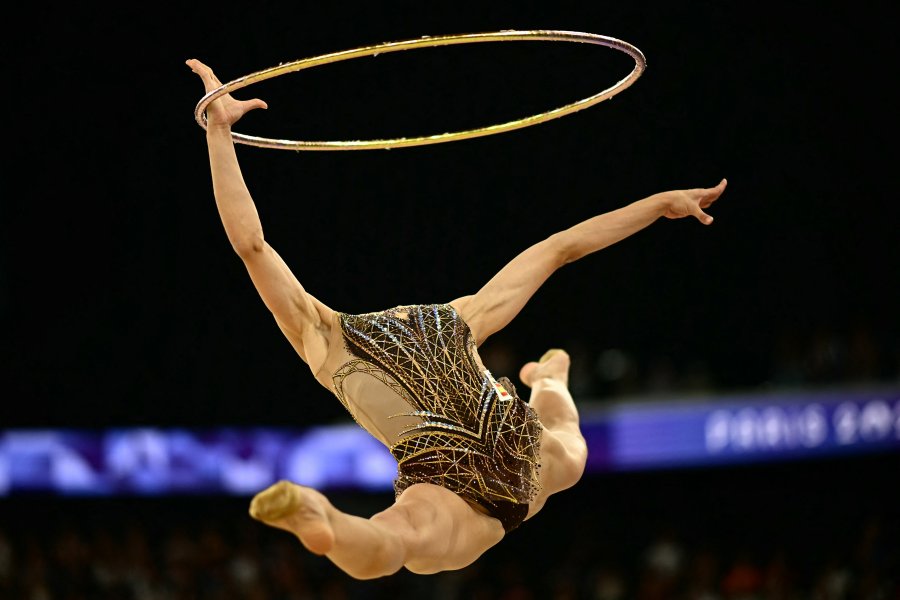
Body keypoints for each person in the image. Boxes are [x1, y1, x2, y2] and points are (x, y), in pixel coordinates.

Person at [186, 58, 727, 580]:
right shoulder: (456, 317)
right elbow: (561, 248)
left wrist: (220, 133)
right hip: (522, 453)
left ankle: (325, 518)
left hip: (455, 484)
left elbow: (252, 247)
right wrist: (658, 204)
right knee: (566, 443)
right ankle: (549, 377)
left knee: (403, 543)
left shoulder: (328, 336)